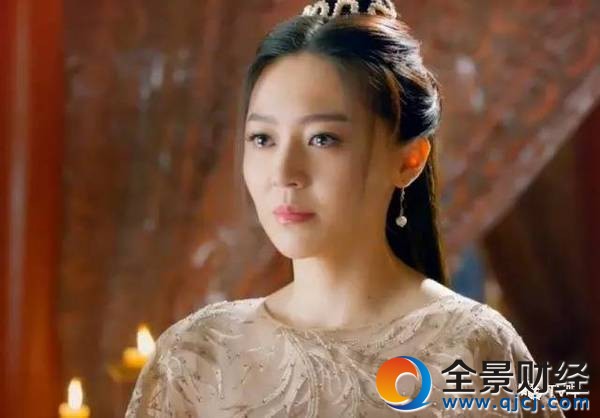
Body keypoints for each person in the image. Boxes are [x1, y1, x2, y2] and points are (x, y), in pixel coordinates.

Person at [125, 1, 566, 416]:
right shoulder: (198, 355)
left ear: (409, 160)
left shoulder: (471, 349)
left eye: (323, 139)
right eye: (263, 139)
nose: (284, 172)